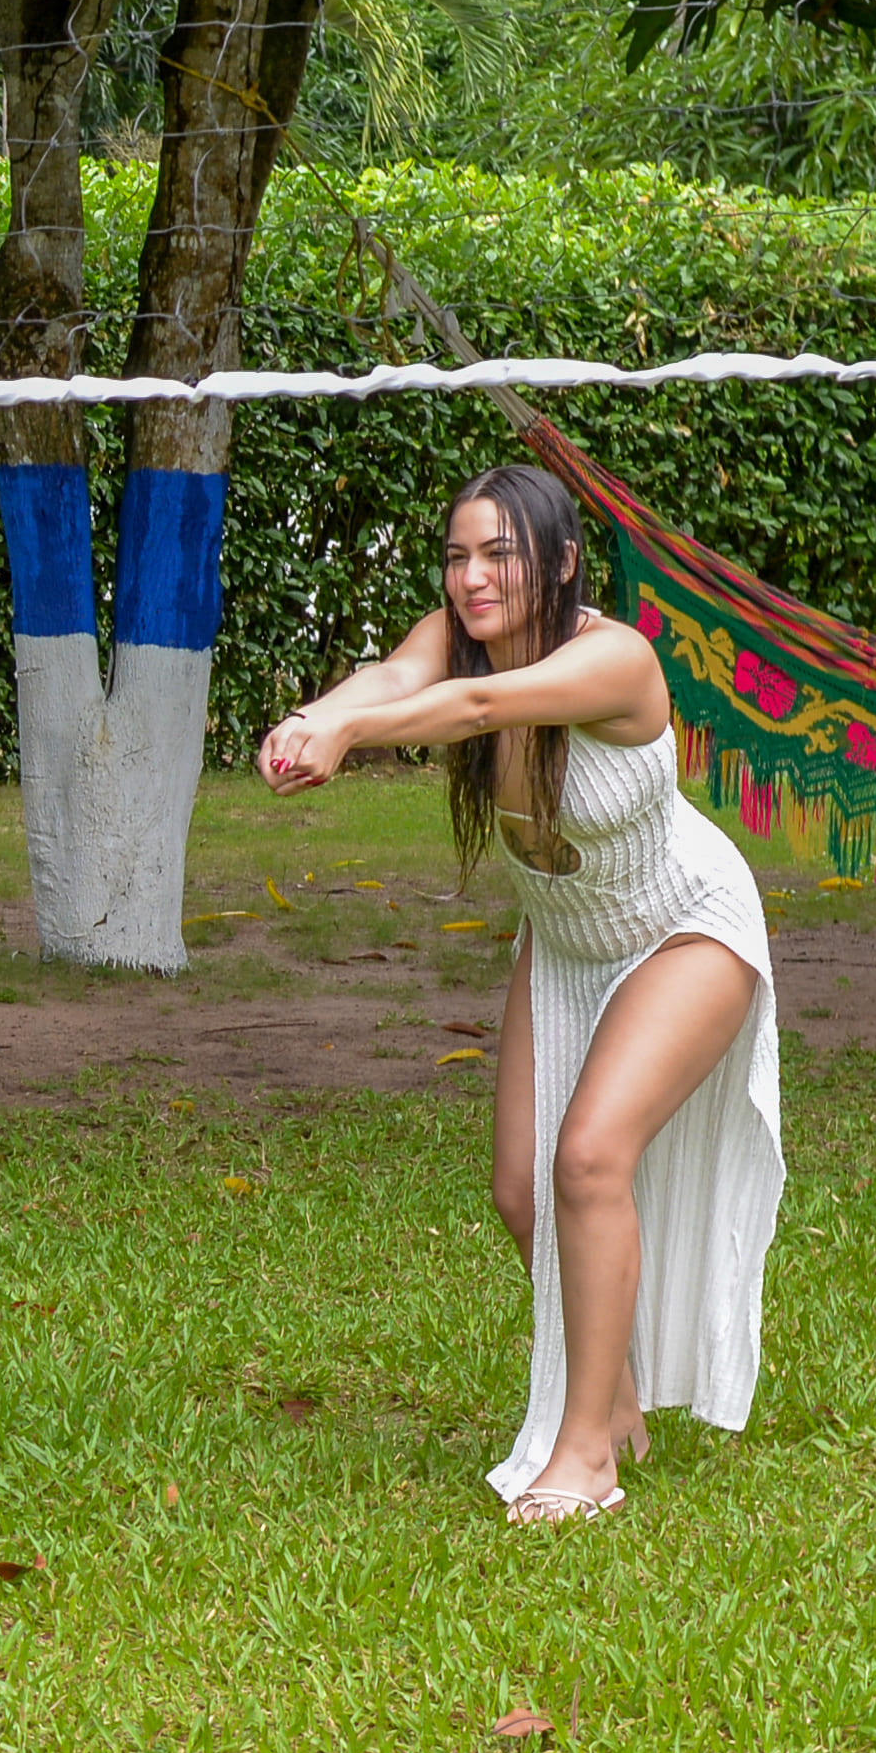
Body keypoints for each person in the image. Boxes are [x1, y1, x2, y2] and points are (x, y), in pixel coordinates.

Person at [253, 457, 781, 1525]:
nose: (472, 577)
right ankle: (616, 1390)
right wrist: (317, 714)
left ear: (561, 560)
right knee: (520, 1189)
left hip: (683, 921)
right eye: (457, 555)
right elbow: (397, 681)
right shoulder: (455, 636)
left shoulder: (612, 658)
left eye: (499, 552)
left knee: (588, 1157)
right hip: (566, 933)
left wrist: (351, 738)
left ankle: (586, 1457)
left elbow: (478, 703)